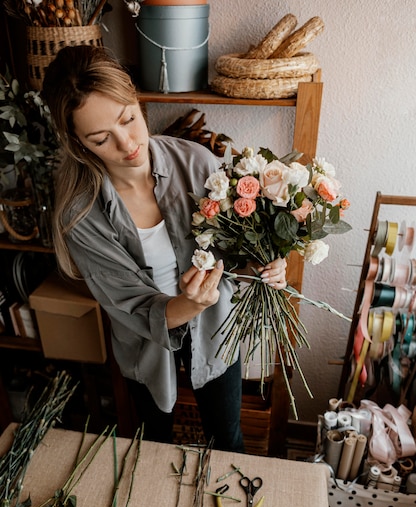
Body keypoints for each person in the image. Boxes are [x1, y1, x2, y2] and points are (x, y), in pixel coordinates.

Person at [41, 45, 287, 453]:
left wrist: (267, 264)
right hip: (144, 340)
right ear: (78, 143)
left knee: (227, 439)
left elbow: (239, 248)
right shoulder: (80, 215)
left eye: (129, 119)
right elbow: (130, 305)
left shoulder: (197, 164)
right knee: (152, 445)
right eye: (102, 138)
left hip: (216, 327)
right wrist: (187, 305)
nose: (127, 145)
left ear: (137, 100)